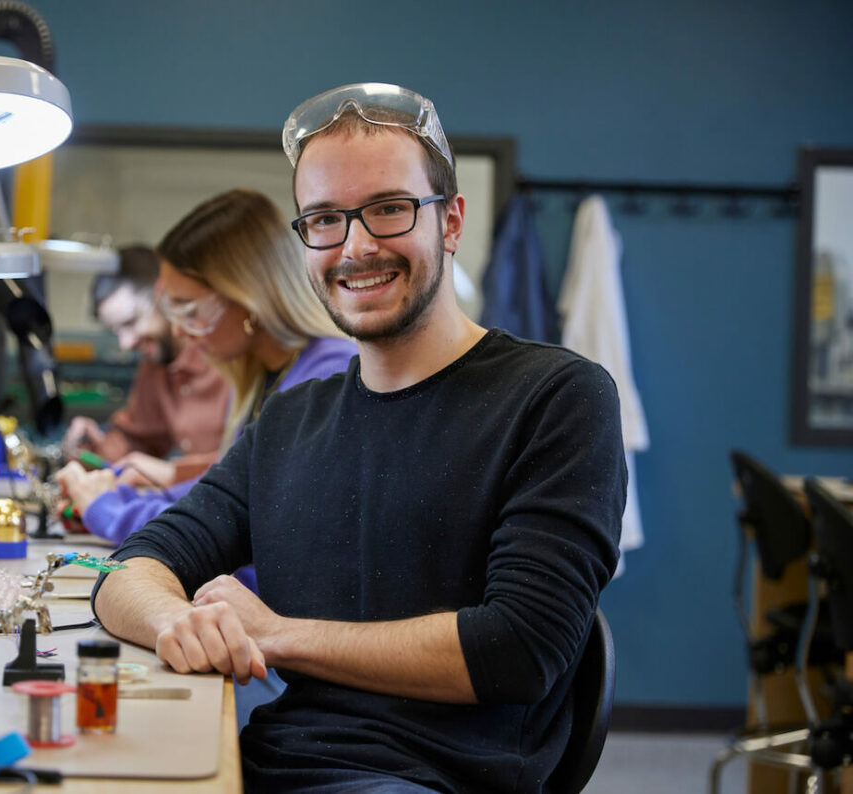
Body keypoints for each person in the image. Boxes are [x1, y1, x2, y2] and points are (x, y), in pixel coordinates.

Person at [91, 83, 627, 793]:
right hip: (273, 765)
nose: (356, 246)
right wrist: (172, 623)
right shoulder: (289, 420)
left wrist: (276, 634)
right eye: (324, 219)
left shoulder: (557, 398)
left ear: (452, 221)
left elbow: (519, 647)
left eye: (388, 209)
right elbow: (130, 569)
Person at [56, 189, 356, 562]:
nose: (180, 332)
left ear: (247, 297)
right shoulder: (259, 378)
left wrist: (108, 511)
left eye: (190, 310)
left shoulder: (326, 377)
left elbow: (236, 528)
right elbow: (219, 494)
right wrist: (119, 497)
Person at [61, 245, 229, 486]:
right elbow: (137, 440)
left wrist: (172, 473)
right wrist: (90, 449)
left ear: (164, 294)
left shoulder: (226, 356)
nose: (126, 343)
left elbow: (254, 464)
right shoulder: (155, 366)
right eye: (116, 331)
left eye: (131, 322)